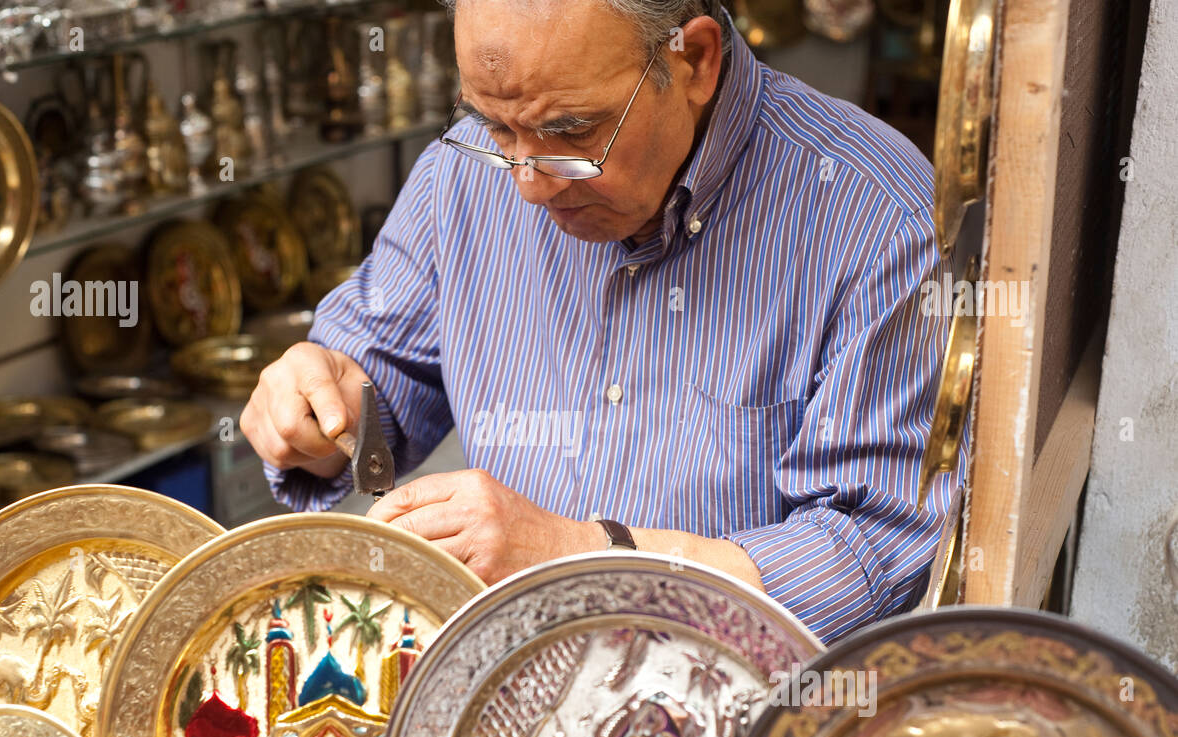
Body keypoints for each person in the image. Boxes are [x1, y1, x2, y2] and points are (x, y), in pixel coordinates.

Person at [241, 0, 961, 644]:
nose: (528, 181)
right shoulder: (462, 178)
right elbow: (377, 381)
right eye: (494, 125)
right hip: (504, 694)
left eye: (570, 132)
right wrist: (320, 410)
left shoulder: (871, 215)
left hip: (736, 732)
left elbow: (870, 553)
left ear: (696, 60)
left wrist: (584, 556)